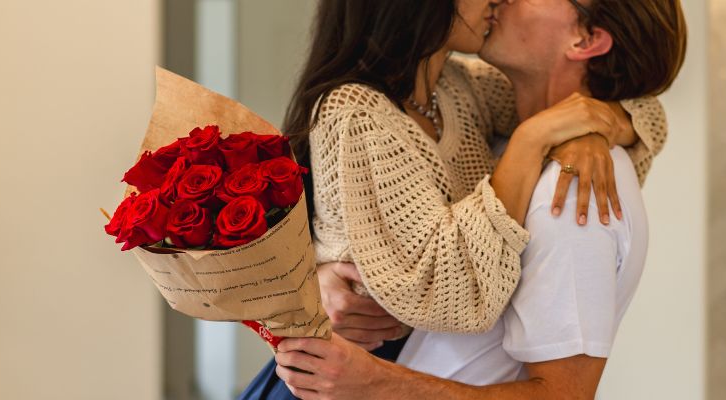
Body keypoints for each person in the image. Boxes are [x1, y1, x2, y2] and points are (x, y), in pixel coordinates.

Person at [239, 0, 669, 397]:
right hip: (329, 378)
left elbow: (641, 101)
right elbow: (453, 298)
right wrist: (531, 140)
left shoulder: (458, 89)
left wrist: (600, 123)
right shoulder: (356, 111)